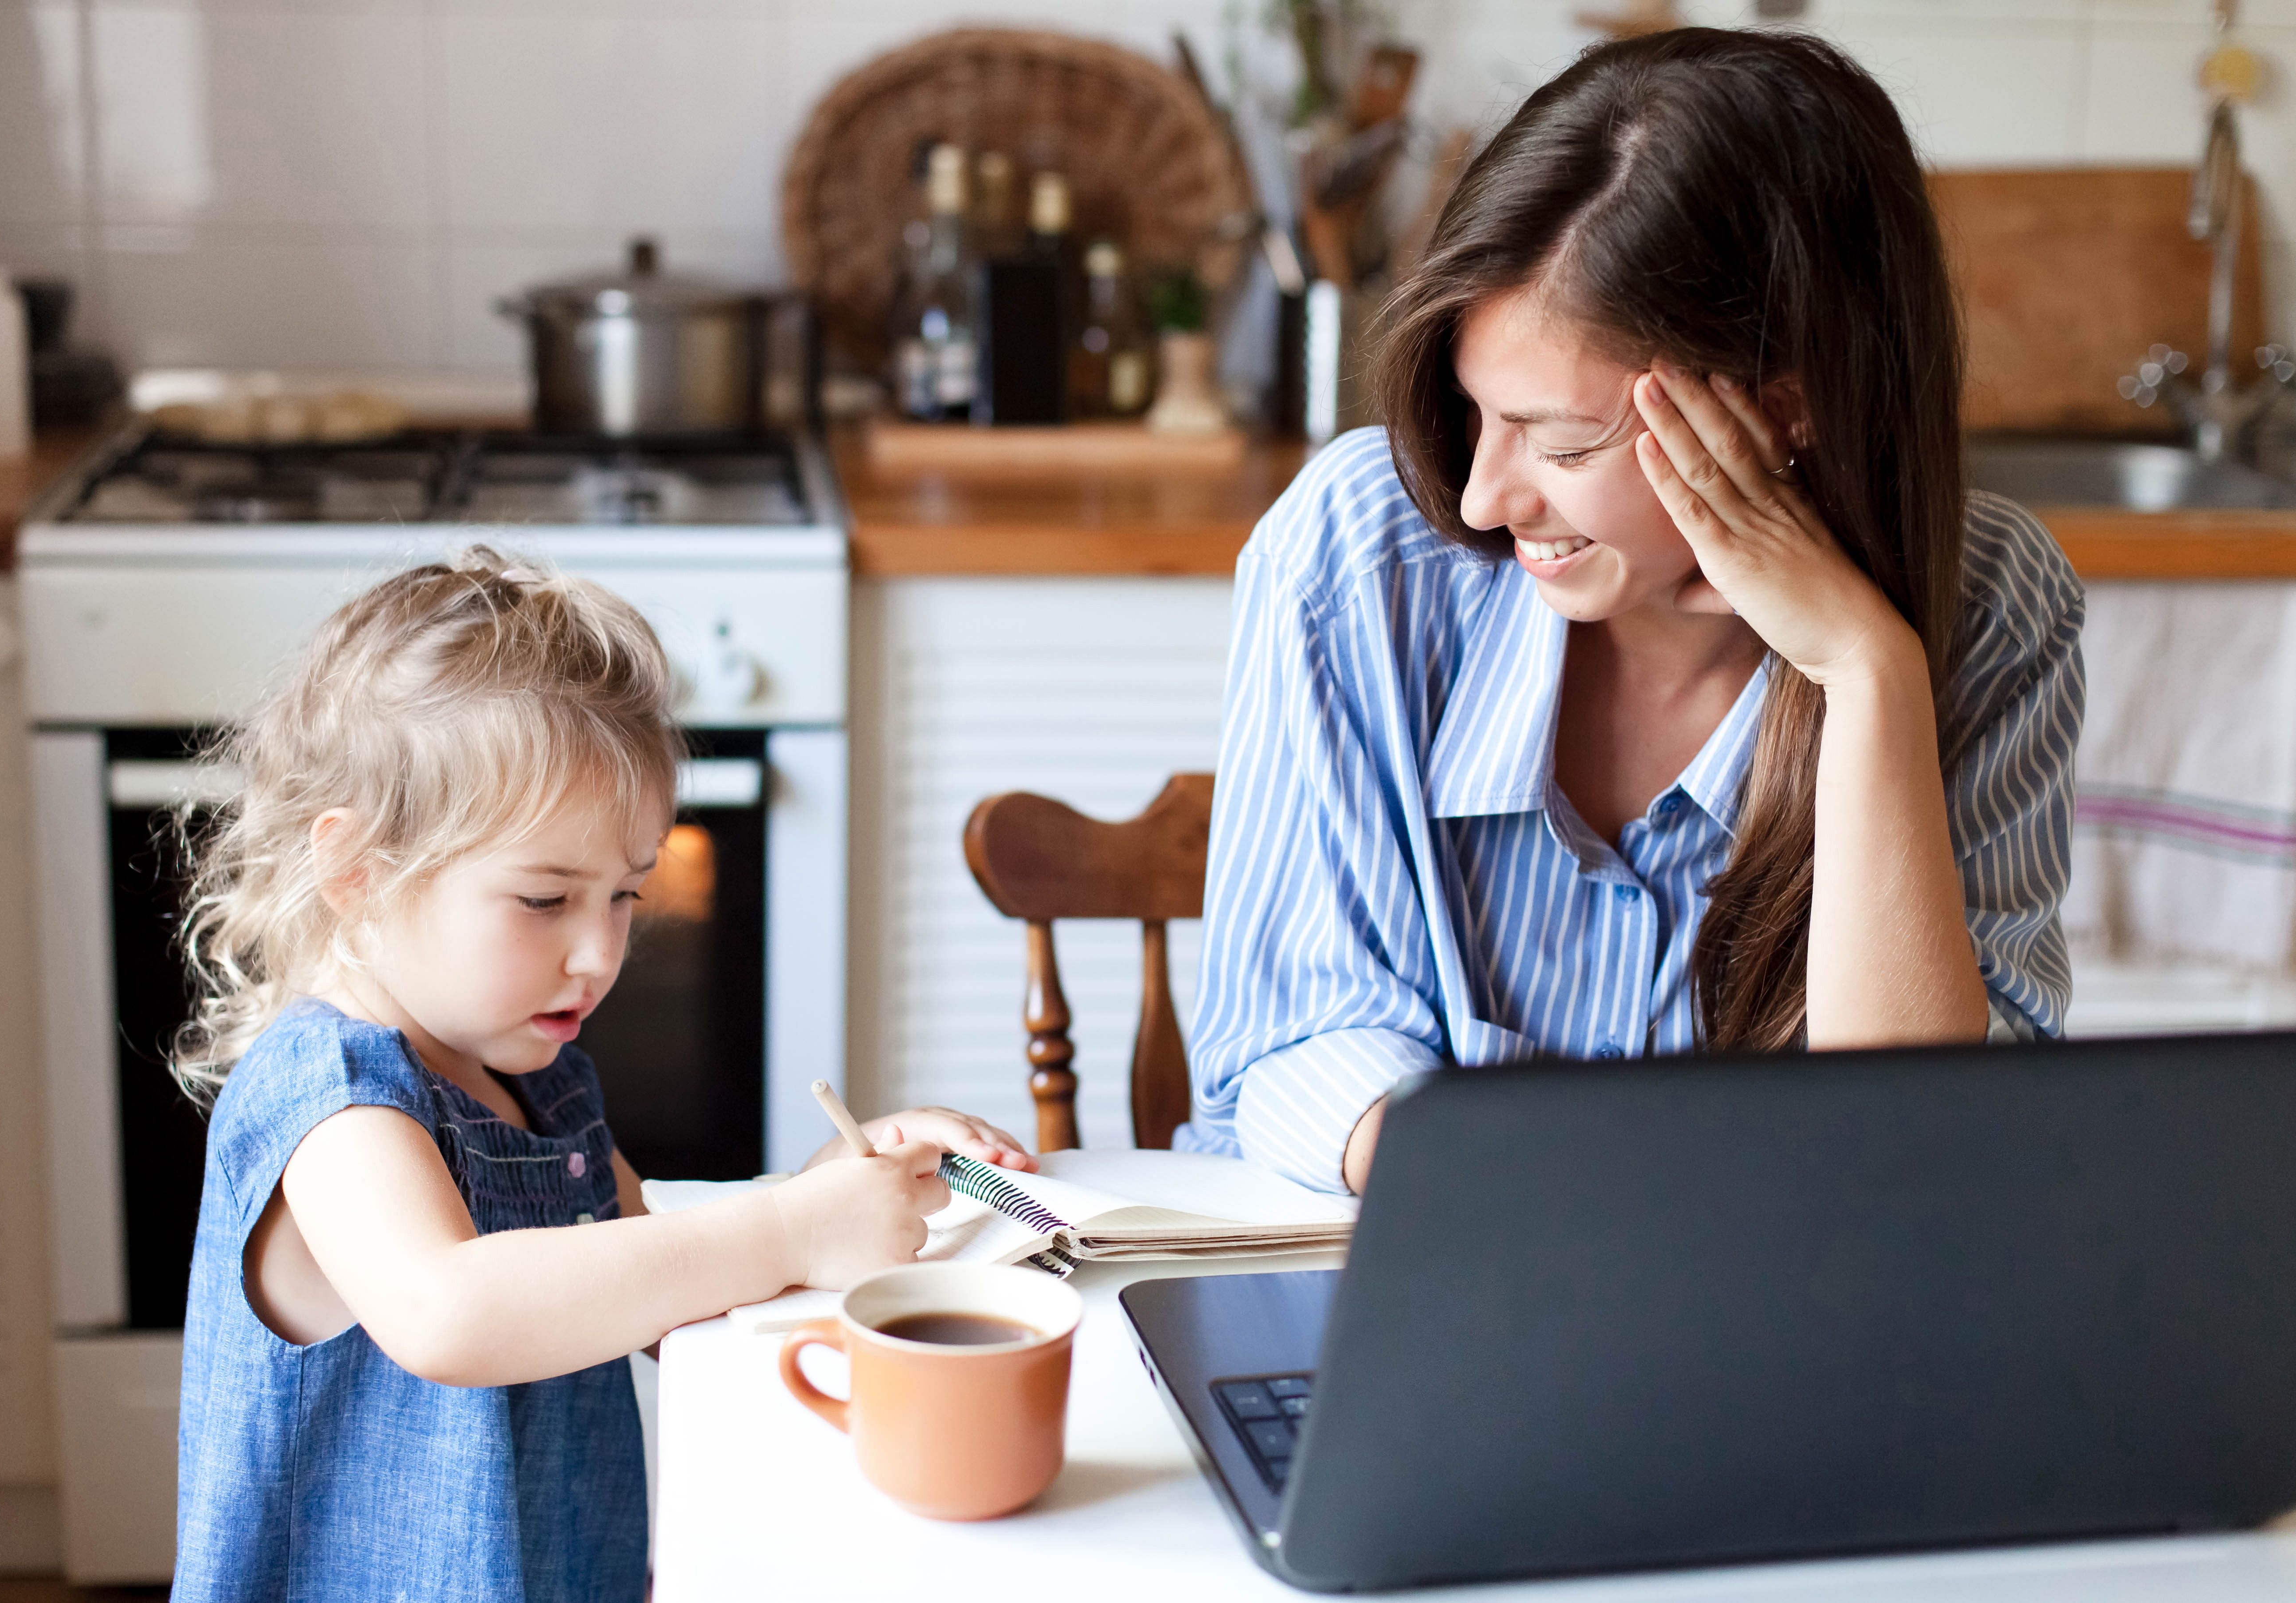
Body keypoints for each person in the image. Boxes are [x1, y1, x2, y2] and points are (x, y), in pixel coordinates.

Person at [1180, 29, 2083, 1195]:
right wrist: (1596, 1204)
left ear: (1782, 410)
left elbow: (1935, 1153)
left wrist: (1867, 676)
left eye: (1560, 442)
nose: (1483, 495)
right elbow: (1295, 1045)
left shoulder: (1996, 606)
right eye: (1476, 413)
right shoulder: (1360, 549)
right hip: (1366, 1271)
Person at [167, 549, 1034, 1601]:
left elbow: (654, 1287)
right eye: (544, 901)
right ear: (359, 872)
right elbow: (453, 1314)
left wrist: (822, 1199)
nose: (600, 953)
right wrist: (791, 1232)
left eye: (626, 894)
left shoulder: (542, 1082)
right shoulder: (331, 1096)